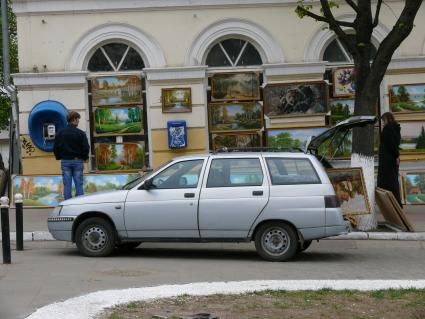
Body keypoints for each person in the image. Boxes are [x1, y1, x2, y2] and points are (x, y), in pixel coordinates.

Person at [54, 111, 90, 200]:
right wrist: (84, 157)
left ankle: (67, 204)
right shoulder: (81, 133)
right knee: (79, 184)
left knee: (67, 184)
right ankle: (79, 204)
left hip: (65, 161)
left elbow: (55, 148)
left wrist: (59, 157)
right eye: (78, 119)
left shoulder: (60, 133)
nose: (78, 121)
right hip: (77, 161)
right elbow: (86, 148)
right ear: (74, 119)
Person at [377, 112, 402, 206]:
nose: (383, 123)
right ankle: (395, 203)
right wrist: (397, 156)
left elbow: (391, 145)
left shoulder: (387, 129)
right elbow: (395, 144)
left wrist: (396, 155)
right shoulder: (396, 128)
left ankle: (390, 204)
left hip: (387, 160)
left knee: (387, 182)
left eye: (384, 120)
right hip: (392, 159)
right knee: (393, 180)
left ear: (387, 119)